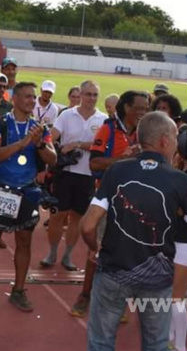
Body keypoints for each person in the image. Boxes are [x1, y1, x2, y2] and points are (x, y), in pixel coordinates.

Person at [82, 111, 187, 351]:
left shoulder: (117, 171)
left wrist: (94, 248)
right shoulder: (179, 180)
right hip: (157, 279)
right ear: (164, 141)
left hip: (112, 270)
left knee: (100, 341)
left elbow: (88, 225)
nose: (177, 145)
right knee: (156, 343)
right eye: (175, 137)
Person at [0, 82, 57, 311]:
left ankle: (18, 291)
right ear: (16, 99)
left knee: (24, 242)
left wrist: (39, 144)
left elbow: (53, 160)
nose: (32, 100)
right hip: (2, 190)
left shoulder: (40, 128)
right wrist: (21, 144)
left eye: (33, 97)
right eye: (28, 97)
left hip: (28, 191)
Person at [72, 90, 150, 317]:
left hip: (136, 203)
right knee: (97, 251)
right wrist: (124, 159)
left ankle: (118, 302)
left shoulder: (145, 132)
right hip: (108, 201)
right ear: (126, 107)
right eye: (139, 108)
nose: (143, 112)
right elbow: (95, 163)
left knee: (128, 254)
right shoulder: (108, 129)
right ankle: (85, 296)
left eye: (146, 109)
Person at [43, 80, 108, 271]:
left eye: (95, 95)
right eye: (88, 94)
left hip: (88, 175)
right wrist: (49, 148)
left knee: (77, 218)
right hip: (65, 173)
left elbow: (101, 146)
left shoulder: (103, 119)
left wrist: (78, 144)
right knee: (58, 216)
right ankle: (52, 253)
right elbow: (52, 136)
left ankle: (67, 255)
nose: (91, 98)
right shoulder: (67, 115)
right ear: (80, 95)